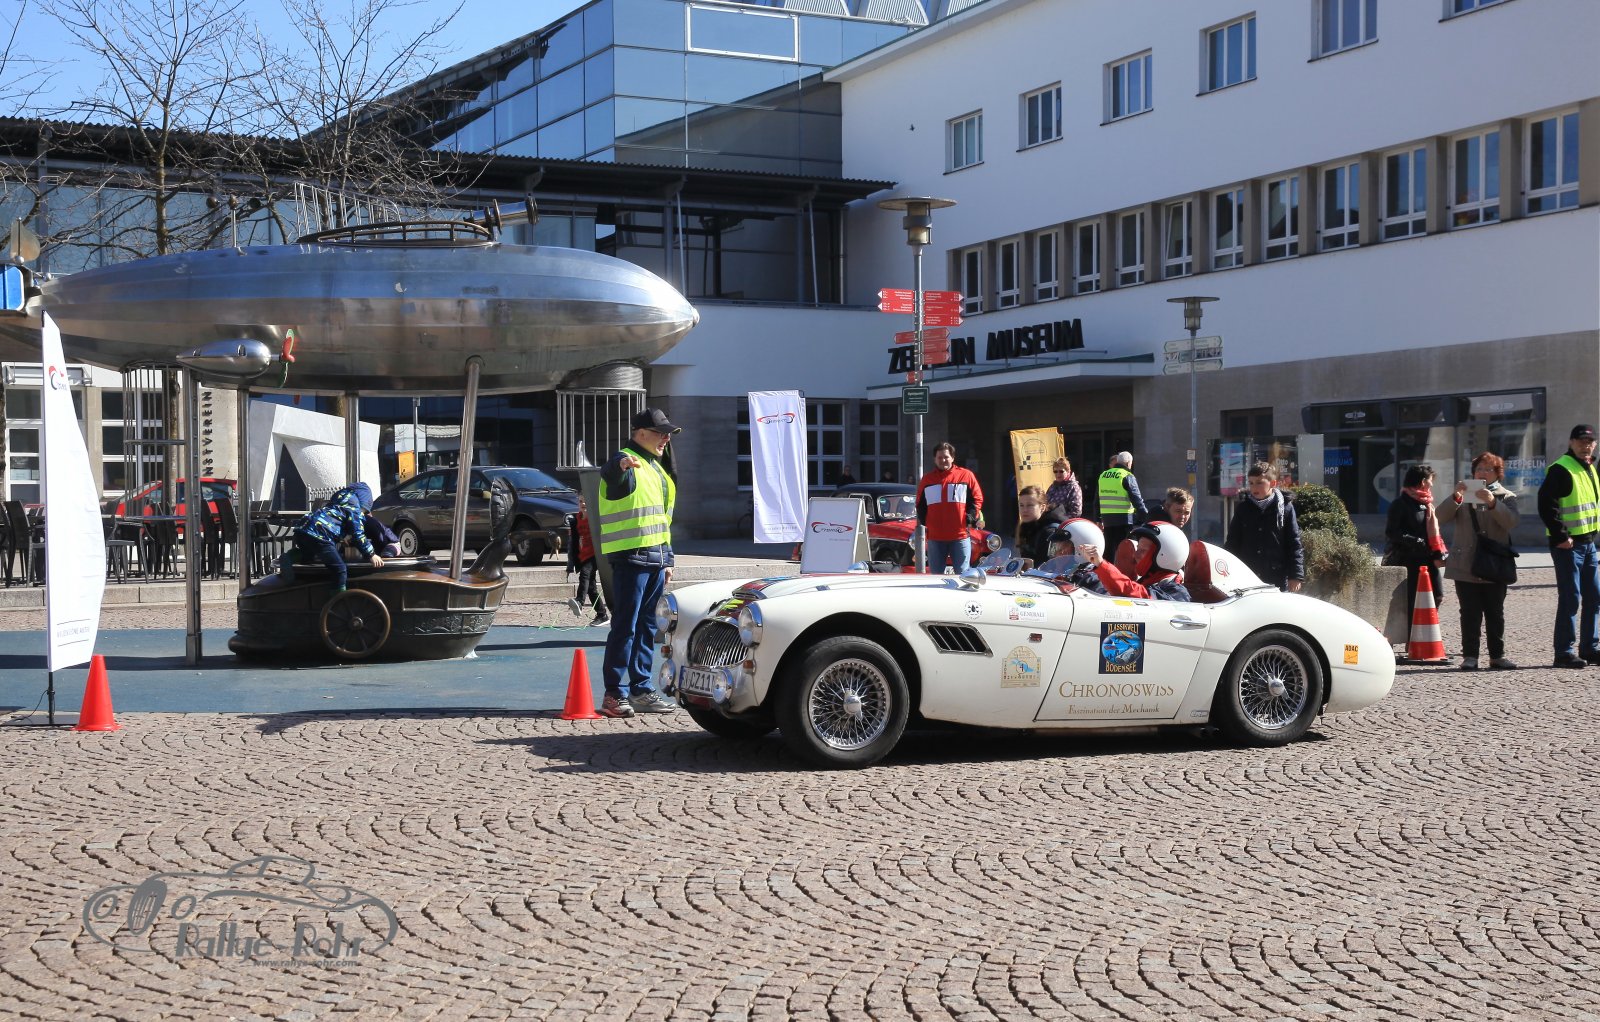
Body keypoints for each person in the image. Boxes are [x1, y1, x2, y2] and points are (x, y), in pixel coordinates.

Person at [597, 407, 682, 717]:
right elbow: (612, 474)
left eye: (668, 434)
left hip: (655, 560)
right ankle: (614, 694)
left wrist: (667, 559)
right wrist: (620, 467)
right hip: (631, 558)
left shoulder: (656, 468)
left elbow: (663, 520)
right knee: (626, 626)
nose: (666, 439)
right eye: (661, 433)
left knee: (646, 627)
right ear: (640, 433)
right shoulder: (626, 459)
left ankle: (641, 690)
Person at [1437, 451, 1518, 671]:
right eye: (1479, 469)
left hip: (1494, 564)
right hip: (1466, 563)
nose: (1483, 473)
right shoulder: (1463, 496)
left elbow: (1510, 522)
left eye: (1488, 469)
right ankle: (1470, 656)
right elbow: (1439, 517)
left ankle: (1497, 656)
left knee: (1495, 612)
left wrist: (1492, 503)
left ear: (1497, 473)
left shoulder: (1507, 497)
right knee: (1469, 613)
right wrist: (1455, 497)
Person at [1538, 424, 1600, 669]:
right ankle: (1564, 652)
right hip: (1568, 546)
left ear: (1595, 444)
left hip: (1588, 543)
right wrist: (1560, 535)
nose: (1586, 445)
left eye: (1589, 442)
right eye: (1581, 441)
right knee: (1571, 598)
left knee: (1594, 597)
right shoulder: (1561, 469)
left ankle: (1590, 648)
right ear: (1571, 442)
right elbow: (1546, 505)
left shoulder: (1589, 467)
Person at [1386, 464, 1449, 658]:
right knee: (1410, 602)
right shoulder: (1400, 504)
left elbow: (1433, 532)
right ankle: (1411, 640)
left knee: (1437, 596)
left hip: (1428, 561)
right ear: (1422, 482)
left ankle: (1421, 636)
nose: (1432, 485)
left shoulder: (1427, 504)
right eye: (1430, 481)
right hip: (1409, 561)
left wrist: (1438, 551)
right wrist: (1415, 541)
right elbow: (1392, 532)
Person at [277, 482, 384, 592]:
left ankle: (289, 557)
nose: (364, 514)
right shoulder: (355, 509)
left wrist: (342, 537)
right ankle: (338, 597)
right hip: (320, 535)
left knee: (308, 556)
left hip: (303, 528)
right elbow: (358, 534)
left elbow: (334, 522)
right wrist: (371, 554)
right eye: (365, 511)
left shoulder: (336, 504)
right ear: (363, 503)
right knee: (340, 569)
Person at [1223, 465, 1304, 592]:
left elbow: (1294, 543)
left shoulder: (1285, 508)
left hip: (1276, 576)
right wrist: (1226, 570)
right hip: (1247, 575)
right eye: (1251, 483)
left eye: (1259, 483)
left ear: (1273, 483)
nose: (1254, 487)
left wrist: (1295, 575)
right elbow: (1232, 542)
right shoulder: (1243, 508)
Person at [916, 441, 985, 573]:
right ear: (935, 459)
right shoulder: (927, 480)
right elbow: (920, 504)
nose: (943, 460)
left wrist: (970, 517)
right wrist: (927, 523)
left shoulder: (966, 476)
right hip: (935, 538)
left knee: (963, 575)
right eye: (939, 457)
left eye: (946, 457)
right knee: (936, 576)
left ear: (952, 458)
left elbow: (977, 498)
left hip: (960, 536)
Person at [1080, 520, 1191, 601]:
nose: (1135, 555)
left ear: (1164, 554)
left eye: (1143, 551)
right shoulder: (1148, 583)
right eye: (1138, 549)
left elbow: (1138, 596)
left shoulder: (1177, 593)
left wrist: (1101, 564)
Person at [565, 495, 609, 627]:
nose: (583, 504)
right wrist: (570, 564)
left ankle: (579, 601)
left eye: (585, 501)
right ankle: (602, 614)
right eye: (580, 501)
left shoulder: (595, 519)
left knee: (585, 574)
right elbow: (572, 544)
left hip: (595, 555)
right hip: (583, 556)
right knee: (591, 588)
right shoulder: (575, 520)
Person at [1032, 517, 1107, 594]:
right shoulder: (1049, 571)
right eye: (1055, 548)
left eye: (1062, 549)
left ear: (1082, 550)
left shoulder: (1091, 580)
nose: (1058, 553)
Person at [1097, 451, 1149, 555]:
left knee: (1109, 551)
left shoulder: (1103, 475)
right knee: (1123, 552)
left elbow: (1096, 500)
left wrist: (1098, 519)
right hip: (1124, 520)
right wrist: (1146, 517)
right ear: (1128, 463)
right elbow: (1137, 499)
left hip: (1107, 520)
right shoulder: (1127, 476)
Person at [1012, 485, 1053, 567]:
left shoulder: (1050, 531)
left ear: (1042, 507)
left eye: (1030, 505)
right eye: (1021, 505)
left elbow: (1048, 566)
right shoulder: (1025, 526)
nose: (1024, 510)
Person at [1042, 457, 1082, 526]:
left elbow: (1076, 512)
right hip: (1048, 524)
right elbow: (1045, 504)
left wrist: (1060, 520)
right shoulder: (1052, 486)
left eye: (1061, 471)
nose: (1058, 474)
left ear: (1068, 471)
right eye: (1055, 471)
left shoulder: (1073, 487)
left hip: (1064, 526)